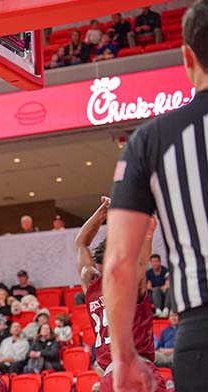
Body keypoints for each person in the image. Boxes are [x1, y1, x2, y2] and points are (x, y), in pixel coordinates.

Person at [105, 6, 208, 389]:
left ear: (187, 56)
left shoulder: (152, 140)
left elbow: (117, 263)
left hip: (201, 333)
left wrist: (124, 357)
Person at [76, 197, 166, 391]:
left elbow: (81, 243)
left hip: (111, 377)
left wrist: (103, 210)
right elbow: (142, 258)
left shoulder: (91, 286)